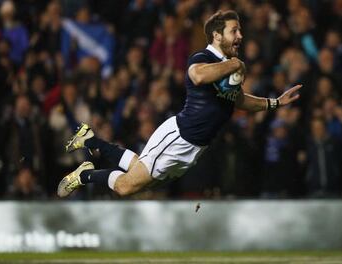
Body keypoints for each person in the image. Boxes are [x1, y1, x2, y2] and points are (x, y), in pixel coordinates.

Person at [57, 10, 302, 198]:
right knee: (125, 187)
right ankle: (85, 174)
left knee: (139, 175)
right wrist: (235, 65)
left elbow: (236, 99)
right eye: (234, 31)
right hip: (180, 137)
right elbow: (197, 75)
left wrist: (274, 103)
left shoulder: (227, 66)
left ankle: (90, 140)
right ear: (217, 35)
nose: (240, 36)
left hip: (193, 147)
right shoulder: (203, 57)